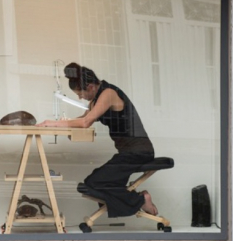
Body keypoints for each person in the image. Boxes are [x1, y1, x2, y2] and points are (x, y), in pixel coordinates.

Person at [36, 62, 158, 217]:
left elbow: (85, 123)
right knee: (91, 184)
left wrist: (51, 123)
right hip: (127, 153)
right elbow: (82, 119)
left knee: (95, 184)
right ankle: (135, 200)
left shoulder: (108, 94)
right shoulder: (95, 101)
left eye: (80, 93)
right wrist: (62, 126)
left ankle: (141, 199)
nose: (80, 97)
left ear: (91, 87)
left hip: (139, 152)